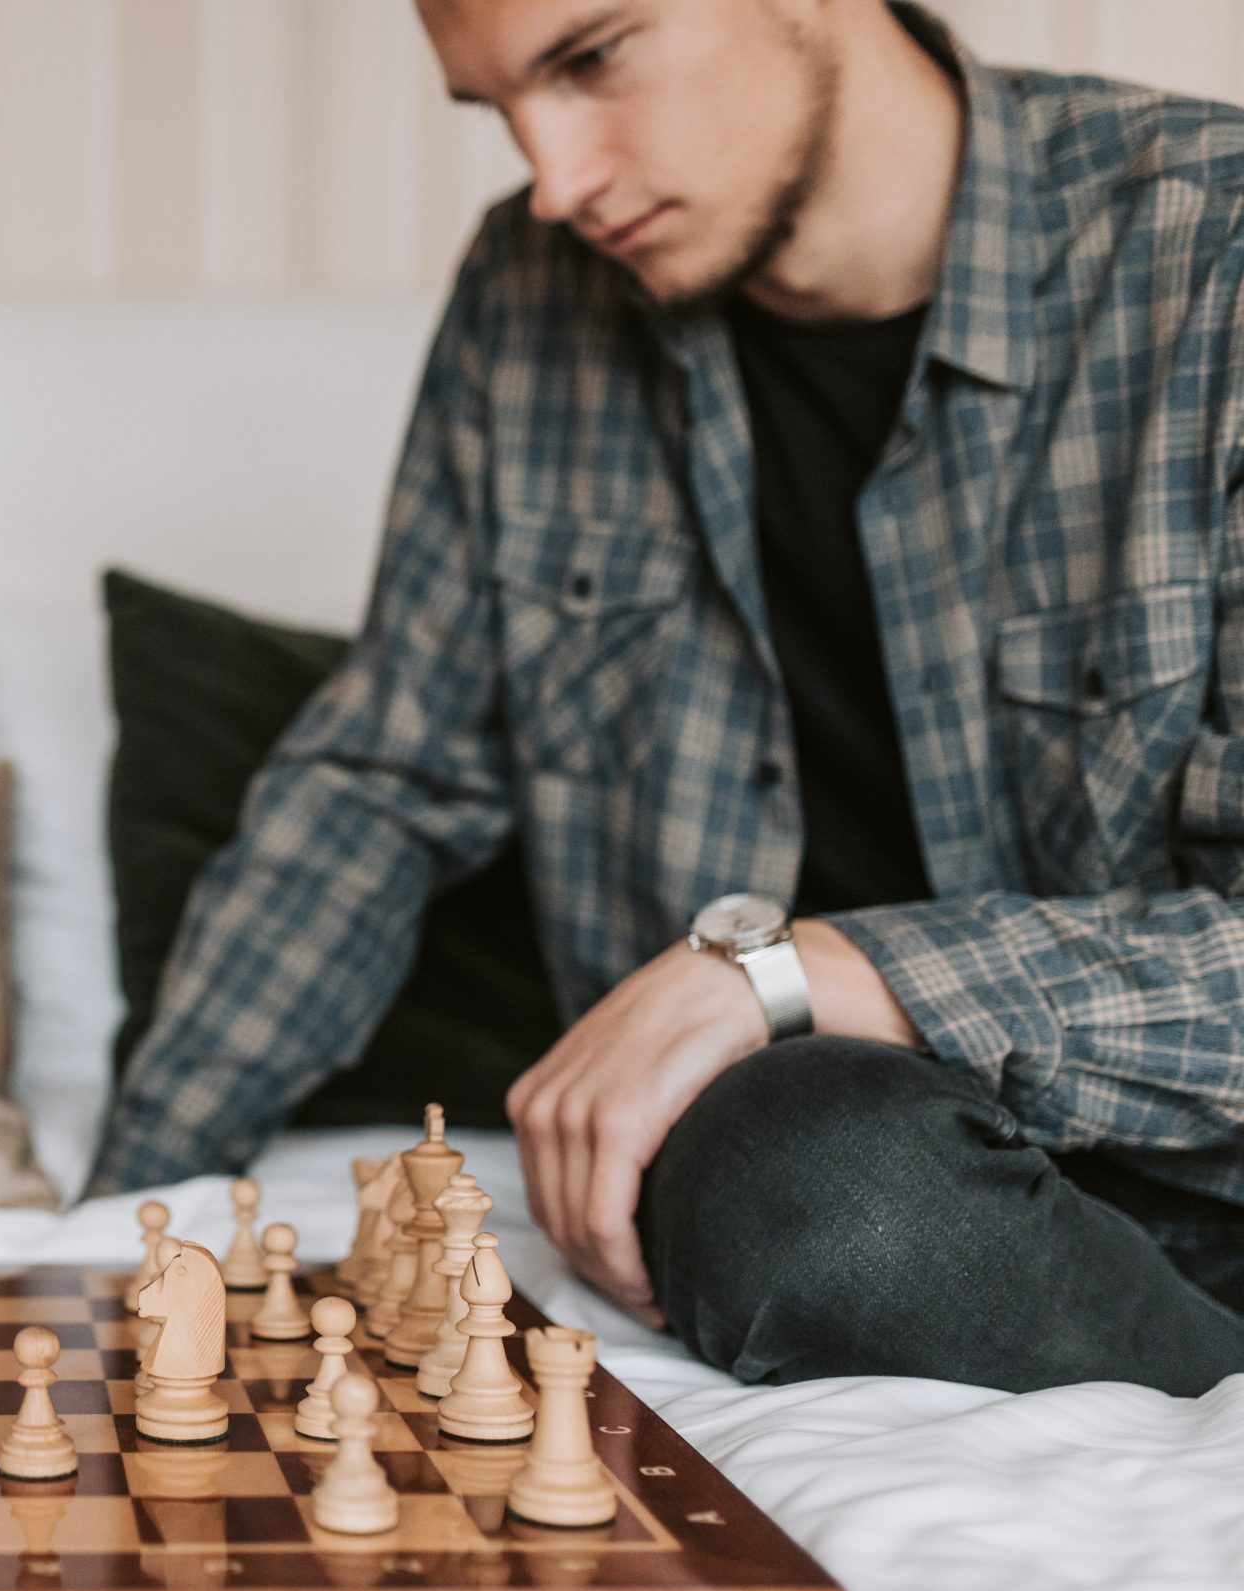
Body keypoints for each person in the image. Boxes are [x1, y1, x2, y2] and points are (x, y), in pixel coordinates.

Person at [90, 0, 1244, 1398]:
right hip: (853, 1170)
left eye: (592, 59)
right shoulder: (532, 292)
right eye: (498, 109)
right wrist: (118, 1198)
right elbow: (380, 785)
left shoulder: (1215, 253)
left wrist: (819, 971)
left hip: (1210, 1166)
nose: (559, 180)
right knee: (826, 1189)